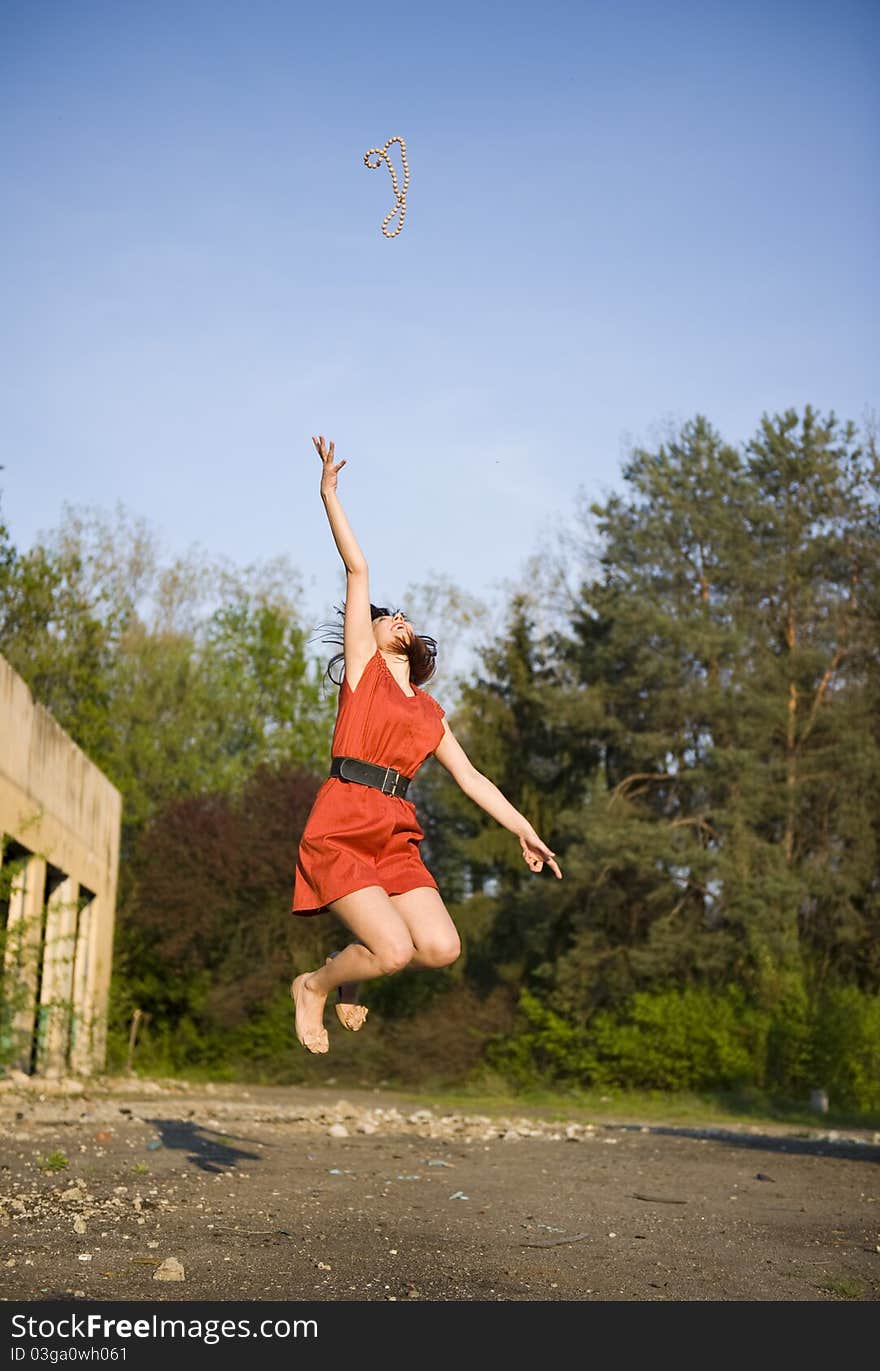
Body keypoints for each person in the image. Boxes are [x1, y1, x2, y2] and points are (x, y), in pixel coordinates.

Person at [290, 434, 563, 1053]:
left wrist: (522, 829)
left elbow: (472, 779)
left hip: (393, 831)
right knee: (392, 952)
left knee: (440, 948)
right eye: (385, 617)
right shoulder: (364, 673)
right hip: (343, 819)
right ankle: (313, 986)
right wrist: (330, 495)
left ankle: (354, 967)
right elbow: (358, 568)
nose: (395, 619)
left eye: (399, 617)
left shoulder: (431, 715)